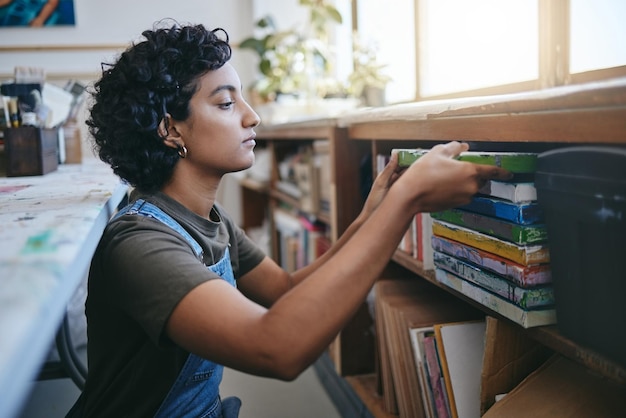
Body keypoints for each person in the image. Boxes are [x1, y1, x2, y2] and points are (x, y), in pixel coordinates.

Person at [72, 21, 512, 418]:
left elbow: (285, 292)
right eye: (226, 104)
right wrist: (406, 203)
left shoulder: (209, 219)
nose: (252, 115)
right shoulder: (140, 243)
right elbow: (276, 348)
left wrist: (371, 215)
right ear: (171, 130)